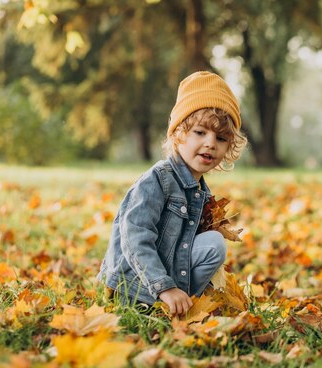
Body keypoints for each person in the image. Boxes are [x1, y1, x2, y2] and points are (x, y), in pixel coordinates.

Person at [97, 71, 247, 316]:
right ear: (179, 134)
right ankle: (165, 302)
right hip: (135, 286)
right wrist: (163, 287)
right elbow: (134, 236)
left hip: (167, 273)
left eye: (220, 138)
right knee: (211, 245)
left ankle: (185, 304)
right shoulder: (158, 179)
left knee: (213, 244)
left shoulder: (199, 191)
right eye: (200, 132)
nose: (210, 143)